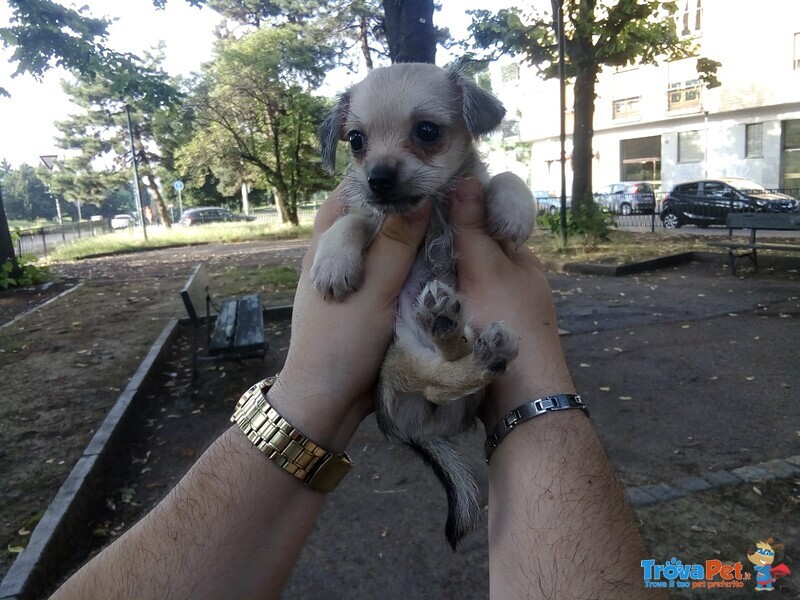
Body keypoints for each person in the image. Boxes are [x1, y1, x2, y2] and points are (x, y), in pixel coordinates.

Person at [51, 177, 662, 599]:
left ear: (466, 125)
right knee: (415, 350)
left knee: (429, 340)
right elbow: (352, 226)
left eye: (426, 133)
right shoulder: (376, 196)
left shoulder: (472, 183)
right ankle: (471, 362)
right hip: (417, 369)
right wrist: (344, 242)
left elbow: (500, 200)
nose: (384, 163)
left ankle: (462, 356)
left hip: (434, 362)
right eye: (360, 140)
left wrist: (512, 193)